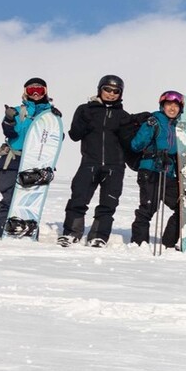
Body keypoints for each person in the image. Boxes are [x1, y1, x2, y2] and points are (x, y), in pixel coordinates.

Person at [60, 74, 132, 247]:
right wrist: (85, 117)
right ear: (100, 90)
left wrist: (137, 122)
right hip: (89, 163)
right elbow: (74, 135)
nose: (111, 94)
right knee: (78, 199)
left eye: (116, 91)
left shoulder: (123, 115)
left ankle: (98, 236)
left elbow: (129, 143)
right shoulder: (85, 109)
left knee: (108, 204)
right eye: (107, 89)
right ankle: (71, 233)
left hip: (115, 167)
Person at [0, 77, 61, 235]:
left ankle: (28, 229)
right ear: (25, 92)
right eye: (31, 90)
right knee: (9, 198)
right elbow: (9, 132)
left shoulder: (50, 115)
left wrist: (56, 123)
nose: (36, 93)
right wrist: (9, 120)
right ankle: (6, 229)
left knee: (30, 200)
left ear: (45, 92)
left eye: (40, 90)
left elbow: (56, 140)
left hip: (36, 162)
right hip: (13, 160)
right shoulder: (17, 111)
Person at [128, 91, 186, 249]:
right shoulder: (154, 121)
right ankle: (139, 244)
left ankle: (168, 242)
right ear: (162, 106)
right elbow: (135, 145)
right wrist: (148, 127)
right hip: (150, 171)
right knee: (148, 208)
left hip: (168, 173)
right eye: (169, 105)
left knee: (182, 207)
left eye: (176, 106)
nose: (172, 108)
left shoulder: (178, 127)